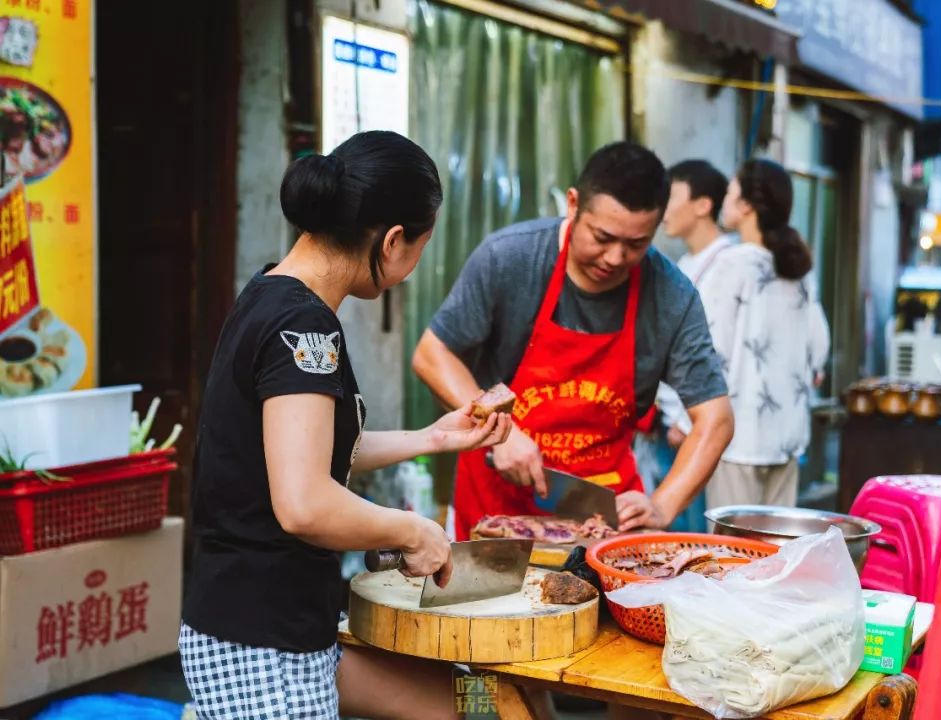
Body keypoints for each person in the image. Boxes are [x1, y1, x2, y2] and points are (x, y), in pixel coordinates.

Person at [179, 131, 512, 720]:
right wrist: (413, 531)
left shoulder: (270, 295)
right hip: (261, 643)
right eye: (420, 247)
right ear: (391, 241)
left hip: (281, 626)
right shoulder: (303, 330)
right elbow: (303, 502)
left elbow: (308, 456)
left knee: (472, 705)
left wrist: (433, 439)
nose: (413, 265)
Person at [412, 142, 733, 541]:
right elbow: (431, 354)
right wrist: (501, 430)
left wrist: (664, 504)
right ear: (573, 204)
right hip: (494, 519)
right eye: (603, 237)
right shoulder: (510, 258)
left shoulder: (671, 295)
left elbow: (715, 420)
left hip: (601, 522)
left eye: (637, 244)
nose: (615, 257)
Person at [701, 158, 830, 509]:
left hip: (736, 436)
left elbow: (710, 348)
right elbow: (819, 348)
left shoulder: (733, 263)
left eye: (729, 193)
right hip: (787, 436)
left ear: (745, 205)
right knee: (775, 554)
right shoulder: (799, 267)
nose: (724, 201)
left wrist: (688, 420)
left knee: (729, 556)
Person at [639, 160, 733, 531]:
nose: (663, 208)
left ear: (702, 205)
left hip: (693, 422)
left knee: (682, 529)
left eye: (672, 195)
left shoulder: (727, 264)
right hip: (667, 419)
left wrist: (682, 418)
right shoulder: (684, 263)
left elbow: (718, 347)